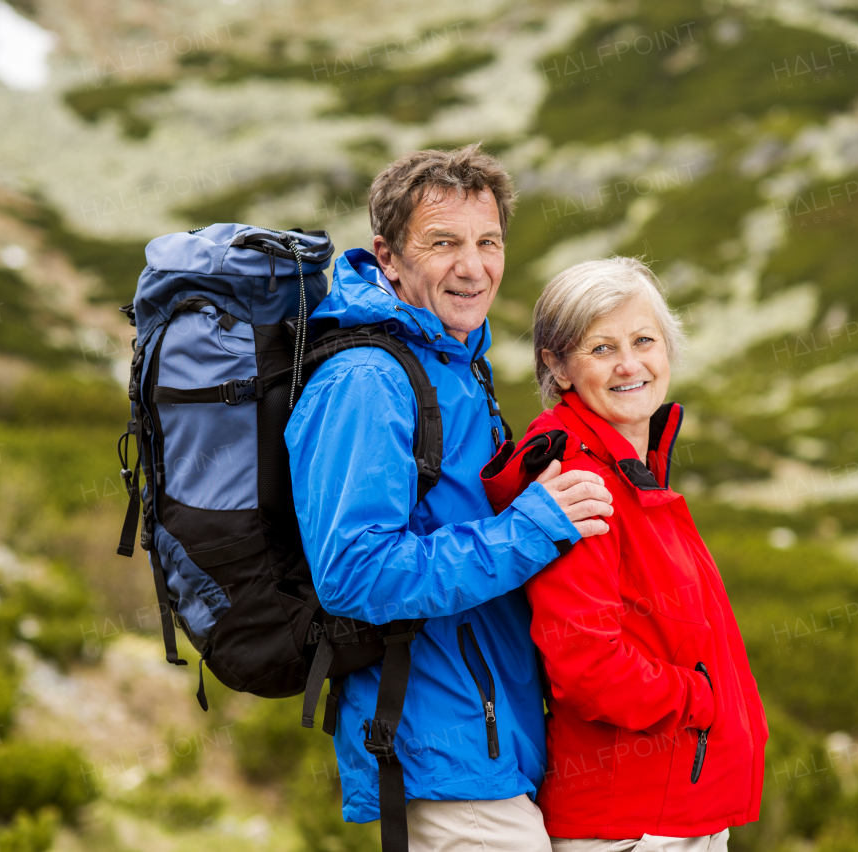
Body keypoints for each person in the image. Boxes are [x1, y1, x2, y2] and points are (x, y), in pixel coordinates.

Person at [286, 145, 615, 852]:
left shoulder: (455, 363)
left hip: (496, 744)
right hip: (439, 755)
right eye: (443, 243)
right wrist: (532, 529)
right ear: (389, 256)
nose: (473, 267)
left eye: (487, 242)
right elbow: (355, 574)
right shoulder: (365, 382)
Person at [482, 257, 769, 852]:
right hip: (631, 826)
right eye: (601, 348)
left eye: (644, 340)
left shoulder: (628, 469)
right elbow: (587, 665)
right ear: (557, 366)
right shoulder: (583, 482)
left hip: (666, 811)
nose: (630, 364)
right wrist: (700, 699)